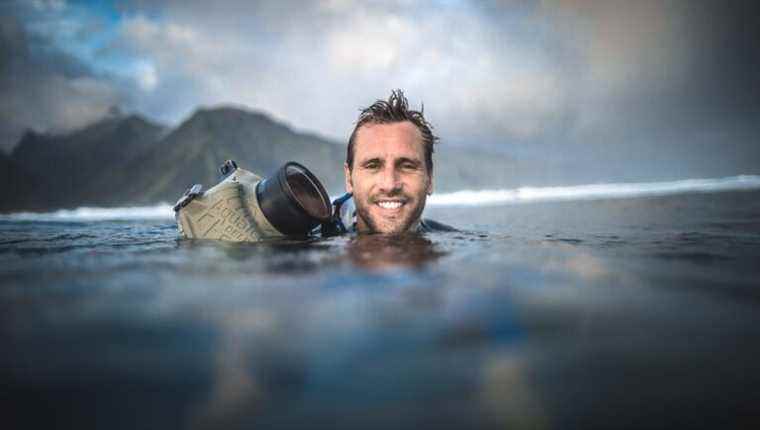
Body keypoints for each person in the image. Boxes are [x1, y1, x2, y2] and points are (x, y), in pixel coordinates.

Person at [326, 90, 455, 235]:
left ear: (430, 179)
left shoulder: (462, 244)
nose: (389, 185)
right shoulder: (313, 244)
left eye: (407, 166)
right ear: (349, 179)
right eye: (373, 166)